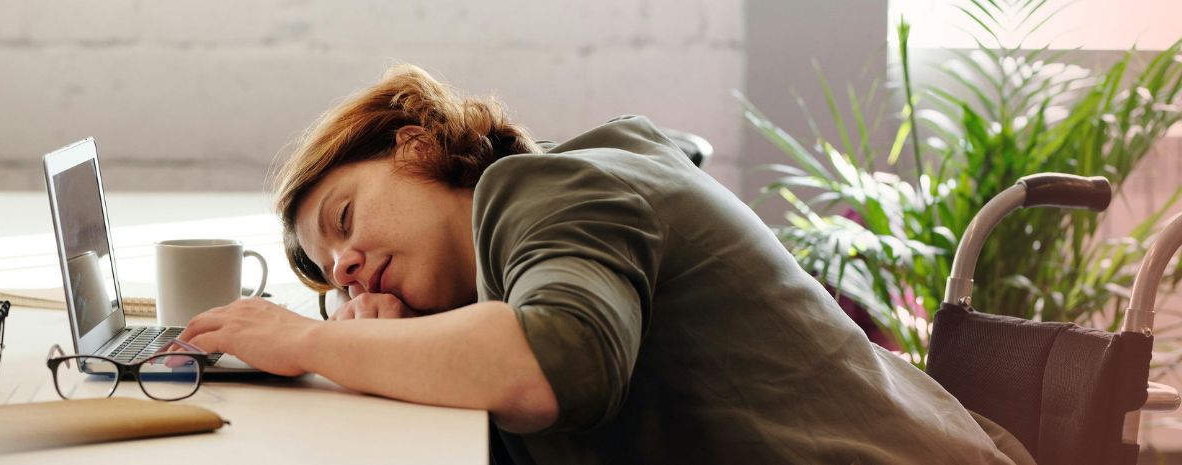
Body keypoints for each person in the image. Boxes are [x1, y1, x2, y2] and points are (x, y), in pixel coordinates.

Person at [179, 63, 1032, 464]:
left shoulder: (541, 188)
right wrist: (385, 351)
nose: (349, 267)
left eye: (344, 219)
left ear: (413, 147)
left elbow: (559, 360)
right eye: (330, 274)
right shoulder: (546, 214)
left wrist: (307, 342)